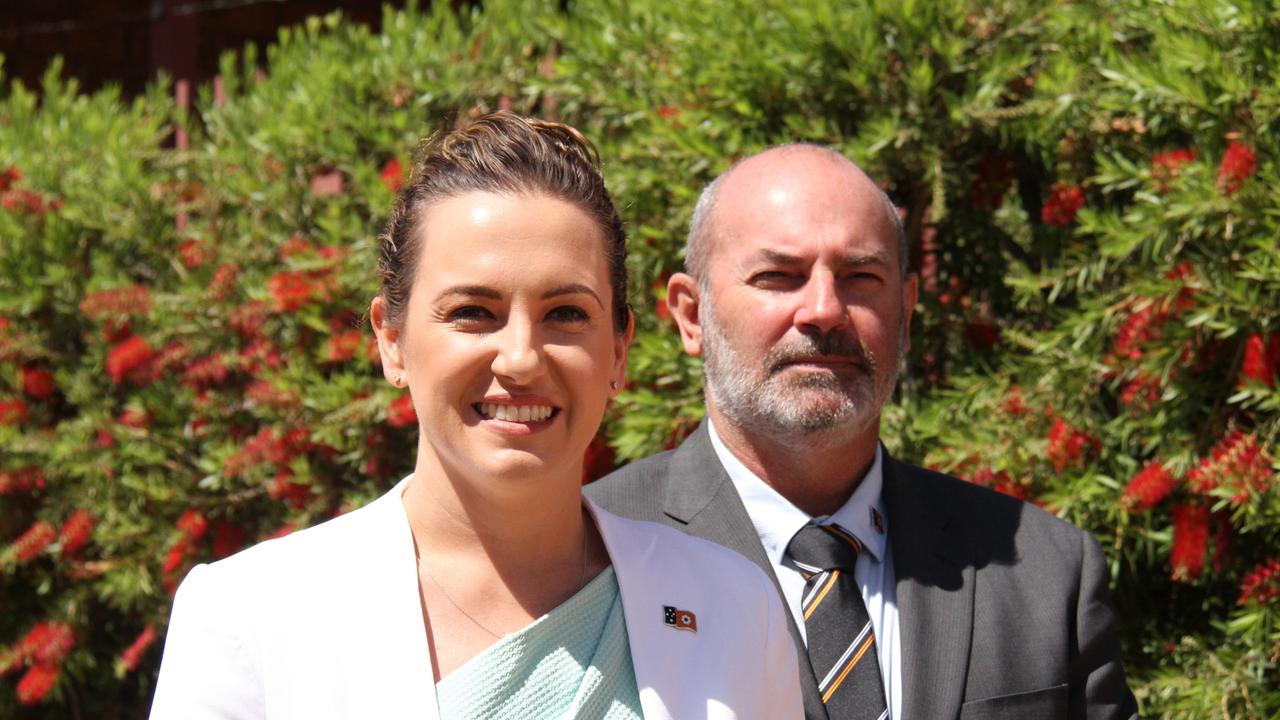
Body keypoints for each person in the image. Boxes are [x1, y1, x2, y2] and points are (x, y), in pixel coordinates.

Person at [150, 113, 802, 720]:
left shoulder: (734, 608)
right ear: (392, 340)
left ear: (619, 349)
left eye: (566, 314)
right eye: (473, 313)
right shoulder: (251, 618)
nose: (520, 357)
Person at [585, 144, 1140, 720]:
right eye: (779, 276)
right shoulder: (593, 556)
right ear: (691, 315)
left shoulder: (1043, 573)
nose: (825, 310)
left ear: (904, 312)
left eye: (860, 276)